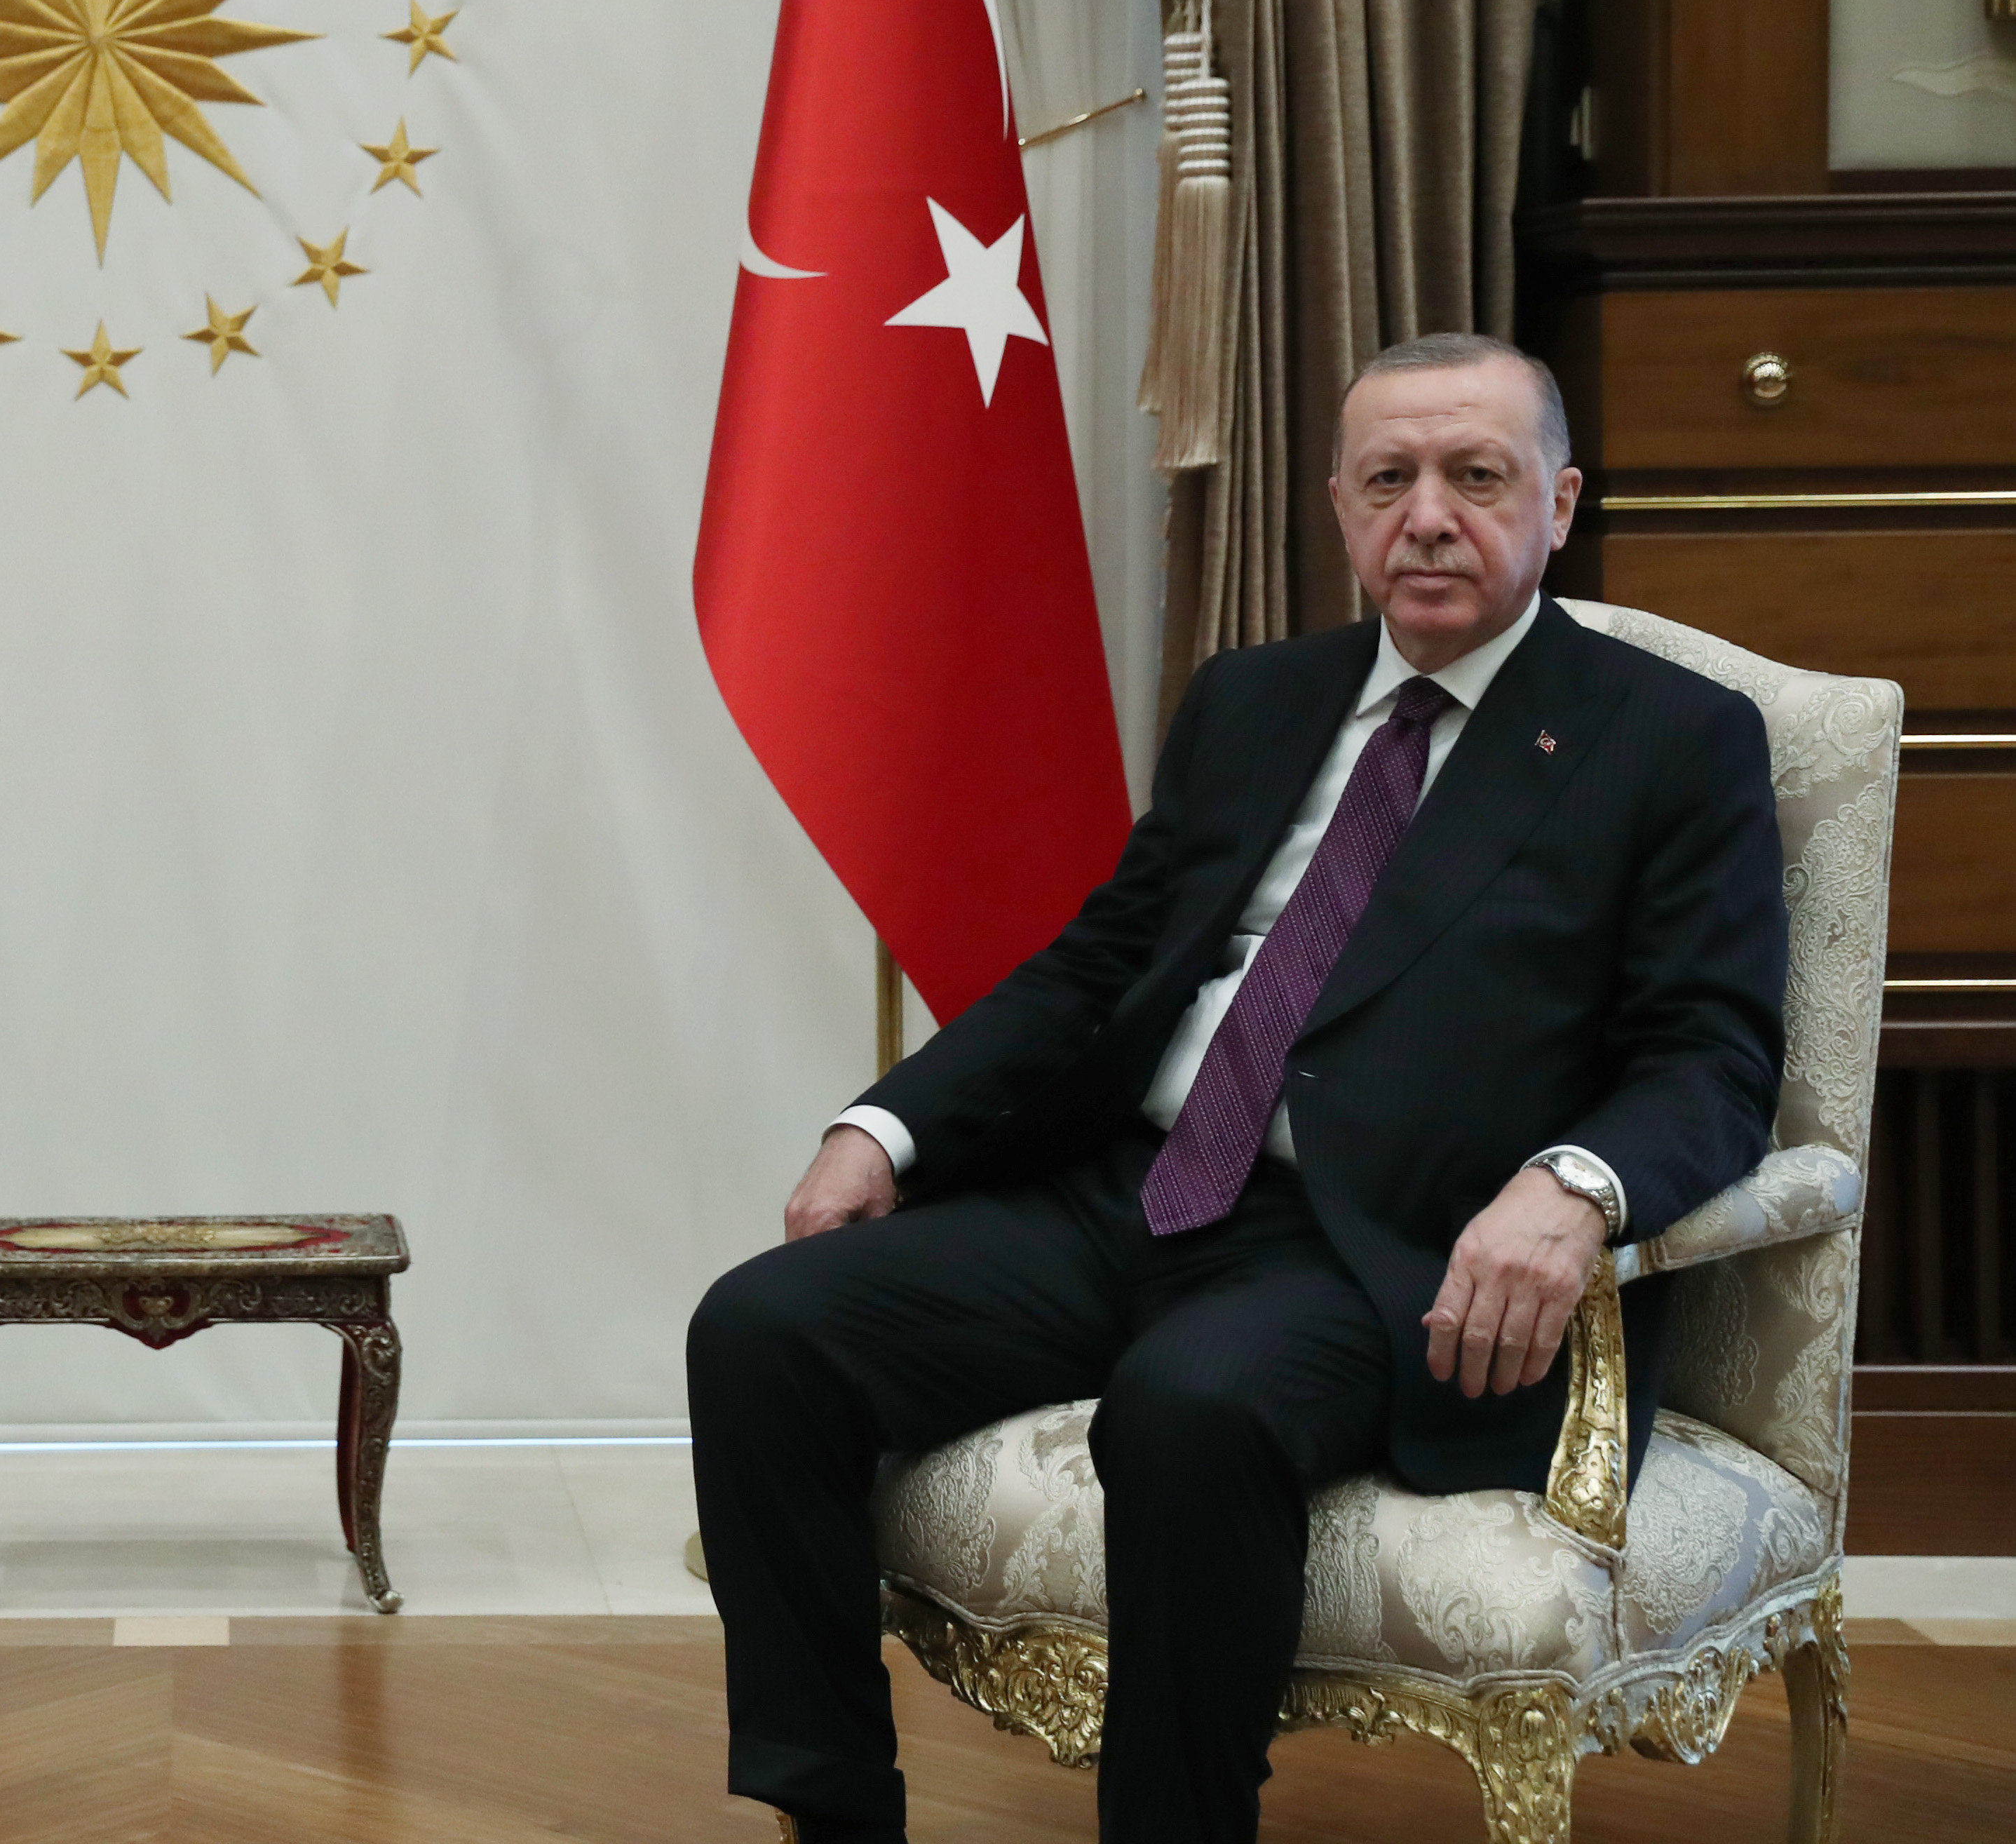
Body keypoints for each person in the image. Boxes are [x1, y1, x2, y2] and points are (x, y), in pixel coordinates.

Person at [686, 333, 1786, 1844]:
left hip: (1378, 1245)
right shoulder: (1258, 699)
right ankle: (835, 1815)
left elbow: (1713, 1054)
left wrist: (1571, 1187)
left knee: (1190, 1407)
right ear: (1340, 506)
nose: (1428, 518)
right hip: (1132, 1193)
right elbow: (1104, 961)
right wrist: (886, 1126)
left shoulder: (1667, 738)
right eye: (1388, 480)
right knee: (764, 1330)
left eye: (1476, 477)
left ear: (1560, 500)